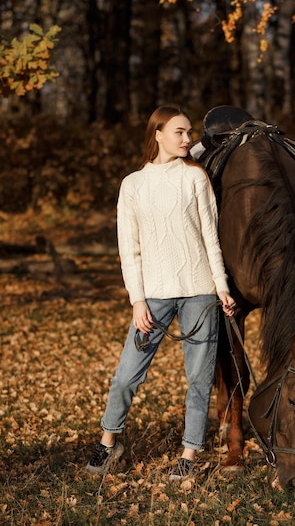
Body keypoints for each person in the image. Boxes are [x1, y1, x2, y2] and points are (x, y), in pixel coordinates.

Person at [86, 105, 235, 480]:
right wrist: (137, 300)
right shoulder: (133, 184)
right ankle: (109, 442)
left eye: (189, 134)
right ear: (158, 135)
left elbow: (210, 236)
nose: (188, 139)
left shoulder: (195, 178)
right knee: (125, 376)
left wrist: (221, 286)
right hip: (152, 297)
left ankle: (189, 454)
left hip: (200, 293)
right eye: (180, 133)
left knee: (199, 380)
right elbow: (129, 248)